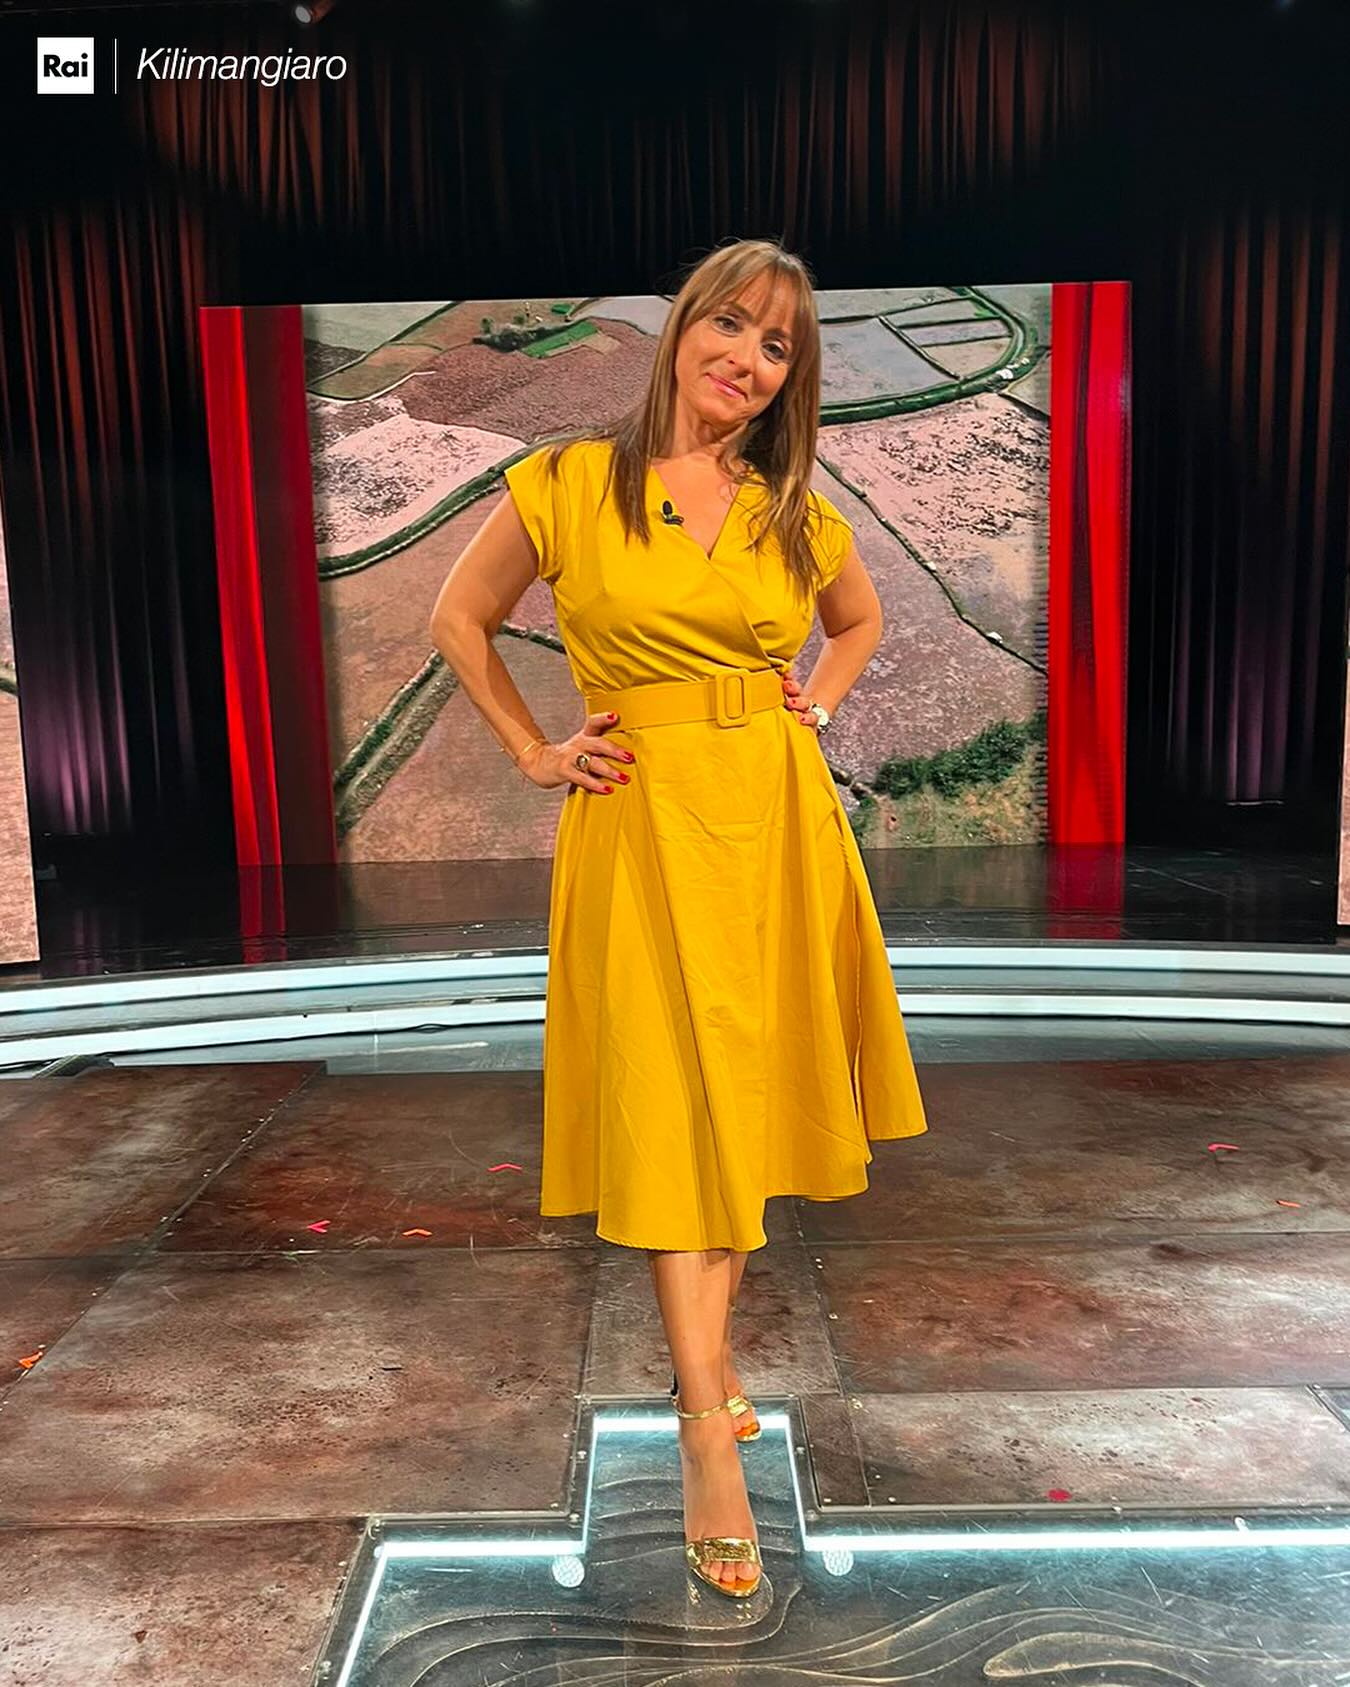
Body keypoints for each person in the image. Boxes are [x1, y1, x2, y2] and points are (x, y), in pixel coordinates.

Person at [429, 236, 928, 1600]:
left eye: (777, 348)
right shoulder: (567, 483)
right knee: (674, 1105)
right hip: (642, 820)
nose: (747, 360)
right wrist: (536, 752)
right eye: (732, 326)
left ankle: (703, 1391)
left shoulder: (790, 511)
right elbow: (461, 618)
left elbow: (859, 622)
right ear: (682, 327)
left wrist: (815, 706)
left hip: (773, 822)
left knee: (738, 1111)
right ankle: (709, 1420)